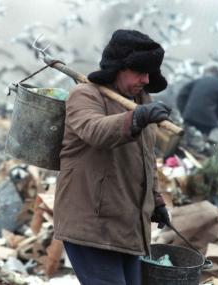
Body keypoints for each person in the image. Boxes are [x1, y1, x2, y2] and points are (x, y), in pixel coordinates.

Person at [53, 30, 172, 285]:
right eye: (140, 71)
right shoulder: (85, 95)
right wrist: (138, 118)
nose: (146, 79)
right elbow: (95, 130)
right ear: (119, 67)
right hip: (92, 226)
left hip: (128, 228)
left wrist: (155, 199)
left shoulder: (140, 99)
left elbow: (146, 156)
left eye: (149, 73)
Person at [176, 66, 218, 136]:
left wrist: (185, 112)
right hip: (206, 123)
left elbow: (182, 95)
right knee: (208, 141)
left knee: (182, 137)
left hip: (188, 116)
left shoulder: (203, 79)